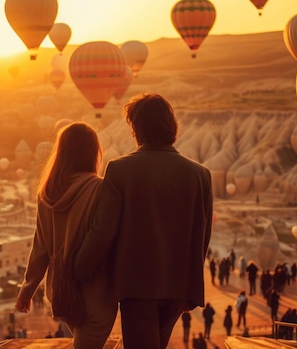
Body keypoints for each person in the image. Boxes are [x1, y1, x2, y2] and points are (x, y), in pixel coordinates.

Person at [75, 93, 213, 349]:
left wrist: (80, 268)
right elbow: (202, 235)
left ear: (136, 128)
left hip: (136, 286)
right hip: (178, 284)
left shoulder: (120, 169)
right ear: (171, 125)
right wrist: (191, 286)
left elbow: (103, 230)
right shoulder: (200, 174)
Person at [15, 123, 117, 349]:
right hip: (96, 291)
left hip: (62, 291)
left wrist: (27, 290)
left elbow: (40, 248)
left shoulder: (46, 193)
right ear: (93, 152)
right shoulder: (101, 190)